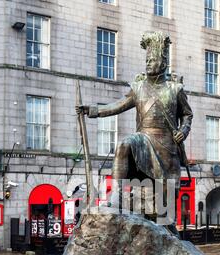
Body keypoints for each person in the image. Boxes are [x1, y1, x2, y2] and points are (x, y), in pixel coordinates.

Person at [76, 32, 193, 234]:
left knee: (162, 205)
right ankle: (116, 196)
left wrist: (183, 130)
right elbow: (118, 106)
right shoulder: (138, 87)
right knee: (124, 143)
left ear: (163, 63)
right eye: (147, 60)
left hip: (166, 145)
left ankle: (165, 229)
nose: (148, 64)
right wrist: (92, 111)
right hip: (143, 139)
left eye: (153, 60)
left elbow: (188, 115)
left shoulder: (175, 89)